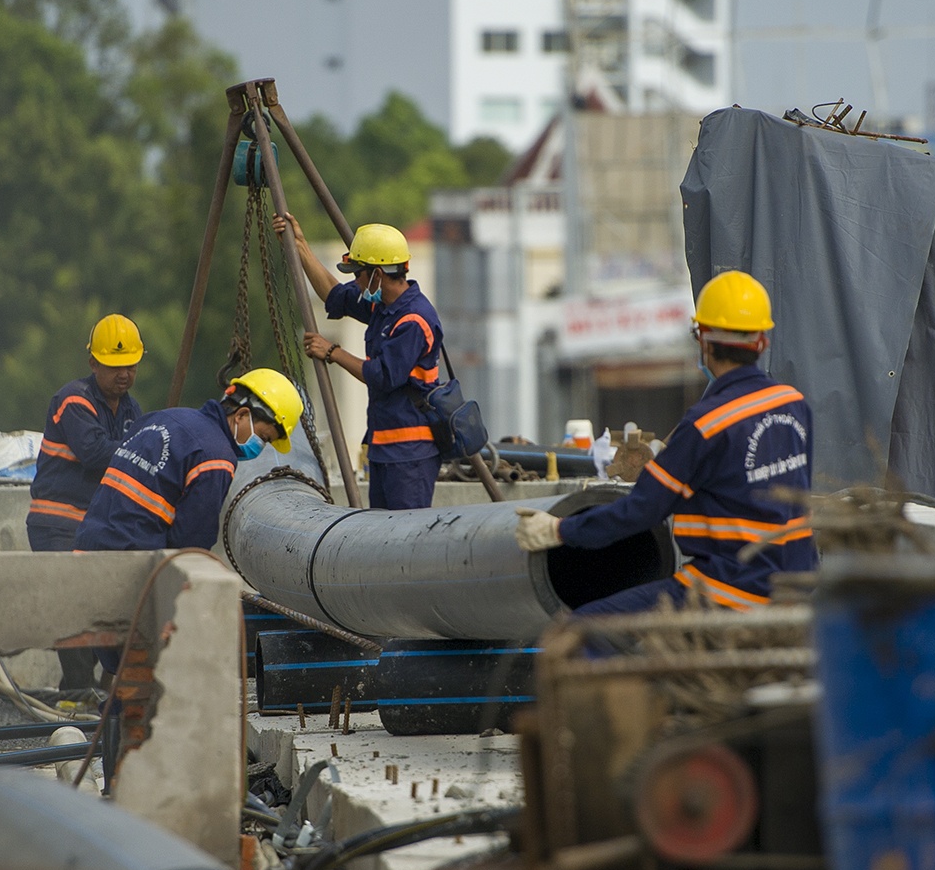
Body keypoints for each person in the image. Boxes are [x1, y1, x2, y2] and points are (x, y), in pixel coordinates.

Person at [514, 272, 816, 613]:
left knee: (583, 628)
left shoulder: (706, 425)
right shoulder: (794, 405)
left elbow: (640, 510)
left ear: (703, 339)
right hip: (798, 587)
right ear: (763, 340)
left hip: (729, 589)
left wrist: (560, 530)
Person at [278, 213, 444, 510]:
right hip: (383, 449)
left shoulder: (413, 320)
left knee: (404, 539)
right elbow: (335, 296)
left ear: (377, 274)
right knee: (381, 538)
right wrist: (300, 246)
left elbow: (383, 376)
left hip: (410, 454)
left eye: (358, 273)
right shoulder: (384, 306)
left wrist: (332, 352)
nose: (355, 280)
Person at [29, 314, 146, 695]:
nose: (123, 374)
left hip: (96, 525)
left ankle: (88, 694)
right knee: (75, 606)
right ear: (94, 363)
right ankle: (77, 692)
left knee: (105, 607)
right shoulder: (73, 400)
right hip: (57, 524)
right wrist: (144, 454)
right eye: (114, 366)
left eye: (129, 364)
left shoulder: (131, 411)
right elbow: (95, 453)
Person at [73, 367, 303, 554]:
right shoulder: (216, 457)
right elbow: (192, 540)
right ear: (242, 415)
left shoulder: (163, 417)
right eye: (263, 437)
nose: (259, 447)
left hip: (86, 549)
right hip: (131, 564)